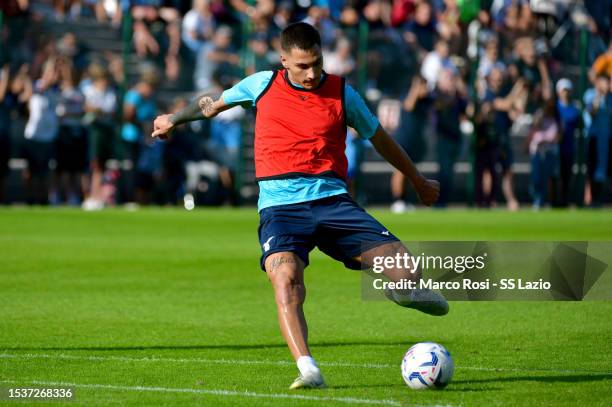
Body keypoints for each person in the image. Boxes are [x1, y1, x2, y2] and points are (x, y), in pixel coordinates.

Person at [151, 22, 448, 390]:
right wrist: (173, 119)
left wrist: (417, 181)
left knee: (407, 273)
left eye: (317, 63)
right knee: (286, 281)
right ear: (284, 61)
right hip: (281, 208)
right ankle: (308, 368)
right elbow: (211, 105)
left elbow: (381, 140)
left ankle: (402, 290)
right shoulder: (262, 83)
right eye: (302, 66)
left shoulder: (342, 93)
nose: (312, 73)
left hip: (333, 202)